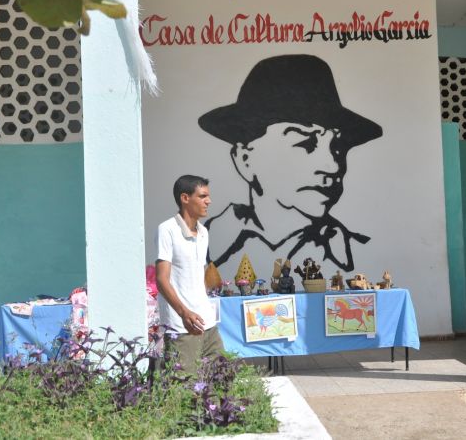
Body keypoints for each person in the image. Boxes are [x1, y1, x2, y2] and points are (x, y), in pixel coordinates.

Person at [198, 54, 383, 272]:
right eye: (306, 143)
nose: (333, 166)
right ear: (245, 160)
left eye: (338, 147)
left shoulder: (355, 252)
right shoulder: (199, 247)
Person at [155, 175, 224, 371]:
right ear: (185, 198)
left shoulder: (203, 232)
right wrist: (184, 313)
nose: (208, 201)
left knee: (221, 378)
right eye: (202, 196)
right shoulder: (167, 229)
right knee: (184, 386)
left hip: (207, 323)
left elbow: (199, 274)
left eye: (208, 196)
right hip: (181, 326)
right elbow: (161, 280)